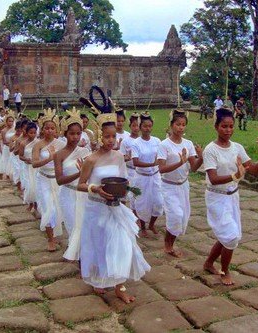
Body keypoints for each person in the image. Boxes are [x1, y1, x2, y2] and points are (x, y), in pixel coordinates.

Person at [77, 89, 150, 303]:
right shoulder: (90, 160)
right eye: (106, 136)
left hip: (116, 207)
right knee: (100, 244)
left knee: (122, 243)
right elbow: (81, 185)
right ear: (99, 135)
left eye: (113, 136)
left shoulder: (119, 157)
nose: (111, 140)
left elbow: (124, 180)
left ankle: (119, 286)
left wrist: (125, 195)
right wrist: (95, 189)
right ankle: (99, 278)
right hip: (96, 207)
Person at [202, 108, 258, 285]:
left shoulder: (237, 148)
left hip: (232, 196)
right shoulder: (210, 150)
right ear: (216, 127)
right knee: (231, 236)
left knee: (226, 234)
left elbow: (254, 171)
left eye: (231, 126)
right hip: (216, 197)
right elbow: (213, 178)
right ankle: (225, 271)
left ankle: (209, 262)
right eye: (224, 126)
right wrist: (235, 175)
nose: (228, 130)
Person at [157, 109, 203, 257]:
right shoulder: (164, 145)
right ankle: (168, 244)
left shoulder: (188, 144)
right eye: (178, 124)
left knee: (183, 217)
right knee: (175, 215)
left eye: (183, 125)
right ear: (171, 125)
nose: (181, 128)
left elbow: (194, 168)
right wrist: (179, 163)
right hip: (168, 185)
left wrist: (201, 157)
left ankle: (171, 241)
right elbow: (161, 169)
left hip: (183, 185)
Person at [54, 108, 90, 253]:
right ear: (65, 134)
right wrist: (78, 174)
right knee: (73, 225)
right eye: (72, 134)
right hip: (68, 193)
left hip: (83, 193)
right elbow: (59, 180)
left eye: (78, 133)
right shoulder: (59, 155)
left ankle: (82, 255)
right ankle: (76, 252)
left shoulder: (85, 152)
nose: (75, 137)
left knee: (84, 225)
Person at [32, 109, 66, 251]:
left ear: (56, 129)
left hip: (58, 180)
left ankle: (57, 234)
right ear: (42, 129)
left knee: (59, 209)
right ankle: (50, 239)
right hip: (44, 179)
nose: (50, 131)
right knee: (48, 209)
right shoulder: (38, 145)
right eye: (47, 128)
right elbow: (34, 163)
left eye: (52, 128)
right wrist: (49, 159)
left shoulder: (61, 144)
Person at [132, 112, 164, 238]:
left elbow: (161, 157)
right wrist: (151, 164)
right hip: (141, 177)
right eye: (145, 126)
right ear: (140, 127)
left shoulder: (157, 141)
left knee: (158, 202)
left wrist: (157, 164)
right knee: (142, 202)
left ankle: (152, 223)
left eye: (150, 126)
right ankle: (143, 226)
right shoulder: (136, 143)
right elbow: (135, 162)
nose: (148, 129)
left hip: (155, 176)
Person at [119, 113, 140, 210]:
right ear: (130, 126)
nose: (136, 128)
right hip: (129, 171)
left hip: (140, 171)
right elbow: (121, 157)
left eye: (138, 126)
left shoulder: (142, 140)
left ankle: (137, 215)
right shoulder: (126, 141)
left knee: (138, 195)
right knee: (128, 194)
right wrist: (126, 158)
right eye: (134, 125)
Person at [20, 122, 40, 215]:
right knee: (29, 186)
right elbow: (20, 156)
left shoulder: (39, 143)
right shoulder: (23, 143)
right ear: (26, 133)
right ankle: (30, 203)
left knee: (36, 186)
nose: (33, 135)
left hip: (36, 167)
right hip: (27, 167)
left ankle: (36, 205)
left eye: (34, 133)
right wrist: (26, 159)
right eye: (31, 133)